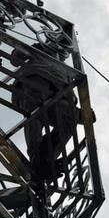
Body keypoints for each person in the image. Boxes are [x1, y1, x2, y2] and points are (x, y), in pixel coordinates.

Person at [11, 43, 79, 182]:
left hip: (57, 95)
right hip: (34, 83)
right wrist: (33, 48)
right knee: (35, 115)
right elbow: (15, 59)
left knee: (71, 118)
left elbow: (70, 91)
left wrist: (75, 106)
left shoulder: (64, 68)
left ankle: (47, 157)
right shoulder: (40, 50)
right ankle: (37, 159)